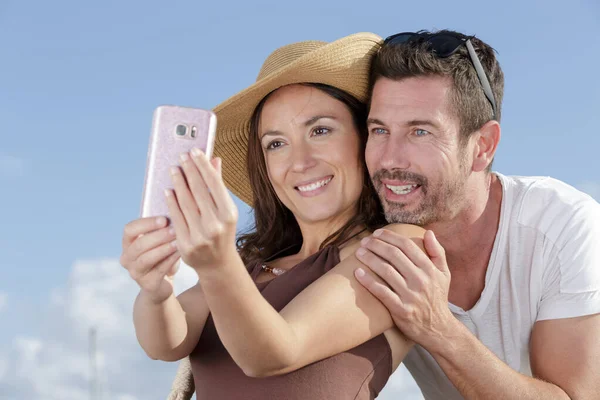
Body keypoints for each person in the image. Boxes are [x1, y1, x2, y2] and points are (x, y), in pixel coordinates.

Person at [121, 33, 425, 400]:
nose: (300, 162)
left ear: (366, 137)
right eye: (276, 144)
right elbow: (165, 345)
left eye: (320, 130)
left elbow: (275, 353)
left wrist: (217, 263)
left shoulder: (399, 248)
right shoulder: (252, 265)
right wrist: (156, 290)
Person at [351, 30, 600, 399]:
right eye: (379, 130)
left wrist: (437, 329)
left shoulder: (560, 222)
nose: (389, 159)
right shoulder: (368, 244)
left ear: (483, 147)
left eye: (420, 132)